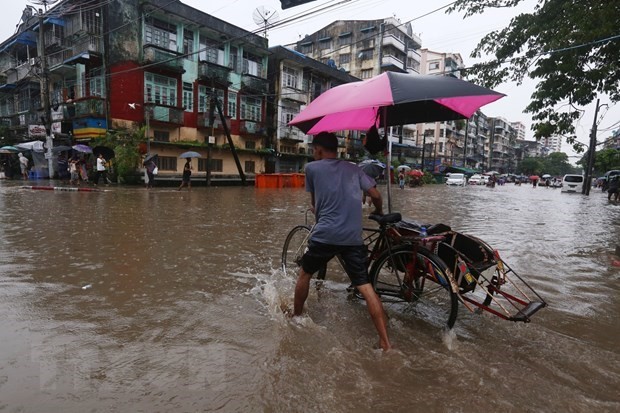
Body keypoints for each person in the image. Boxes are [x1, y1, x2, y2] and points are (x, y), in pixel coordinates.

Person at [293, 132, 392, 351]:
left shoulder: (312, 169)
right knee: (366, 287)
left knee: (304, 274)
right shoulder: (355, 169)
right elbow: (375, 195)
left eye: (313, 150)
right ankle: (385, 342)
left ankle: (296, 317)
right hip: (352, 238)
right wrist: (379, 211)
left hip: (325, 235)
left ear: (318, 149)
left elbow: (316, 204)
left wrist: (318, 211)